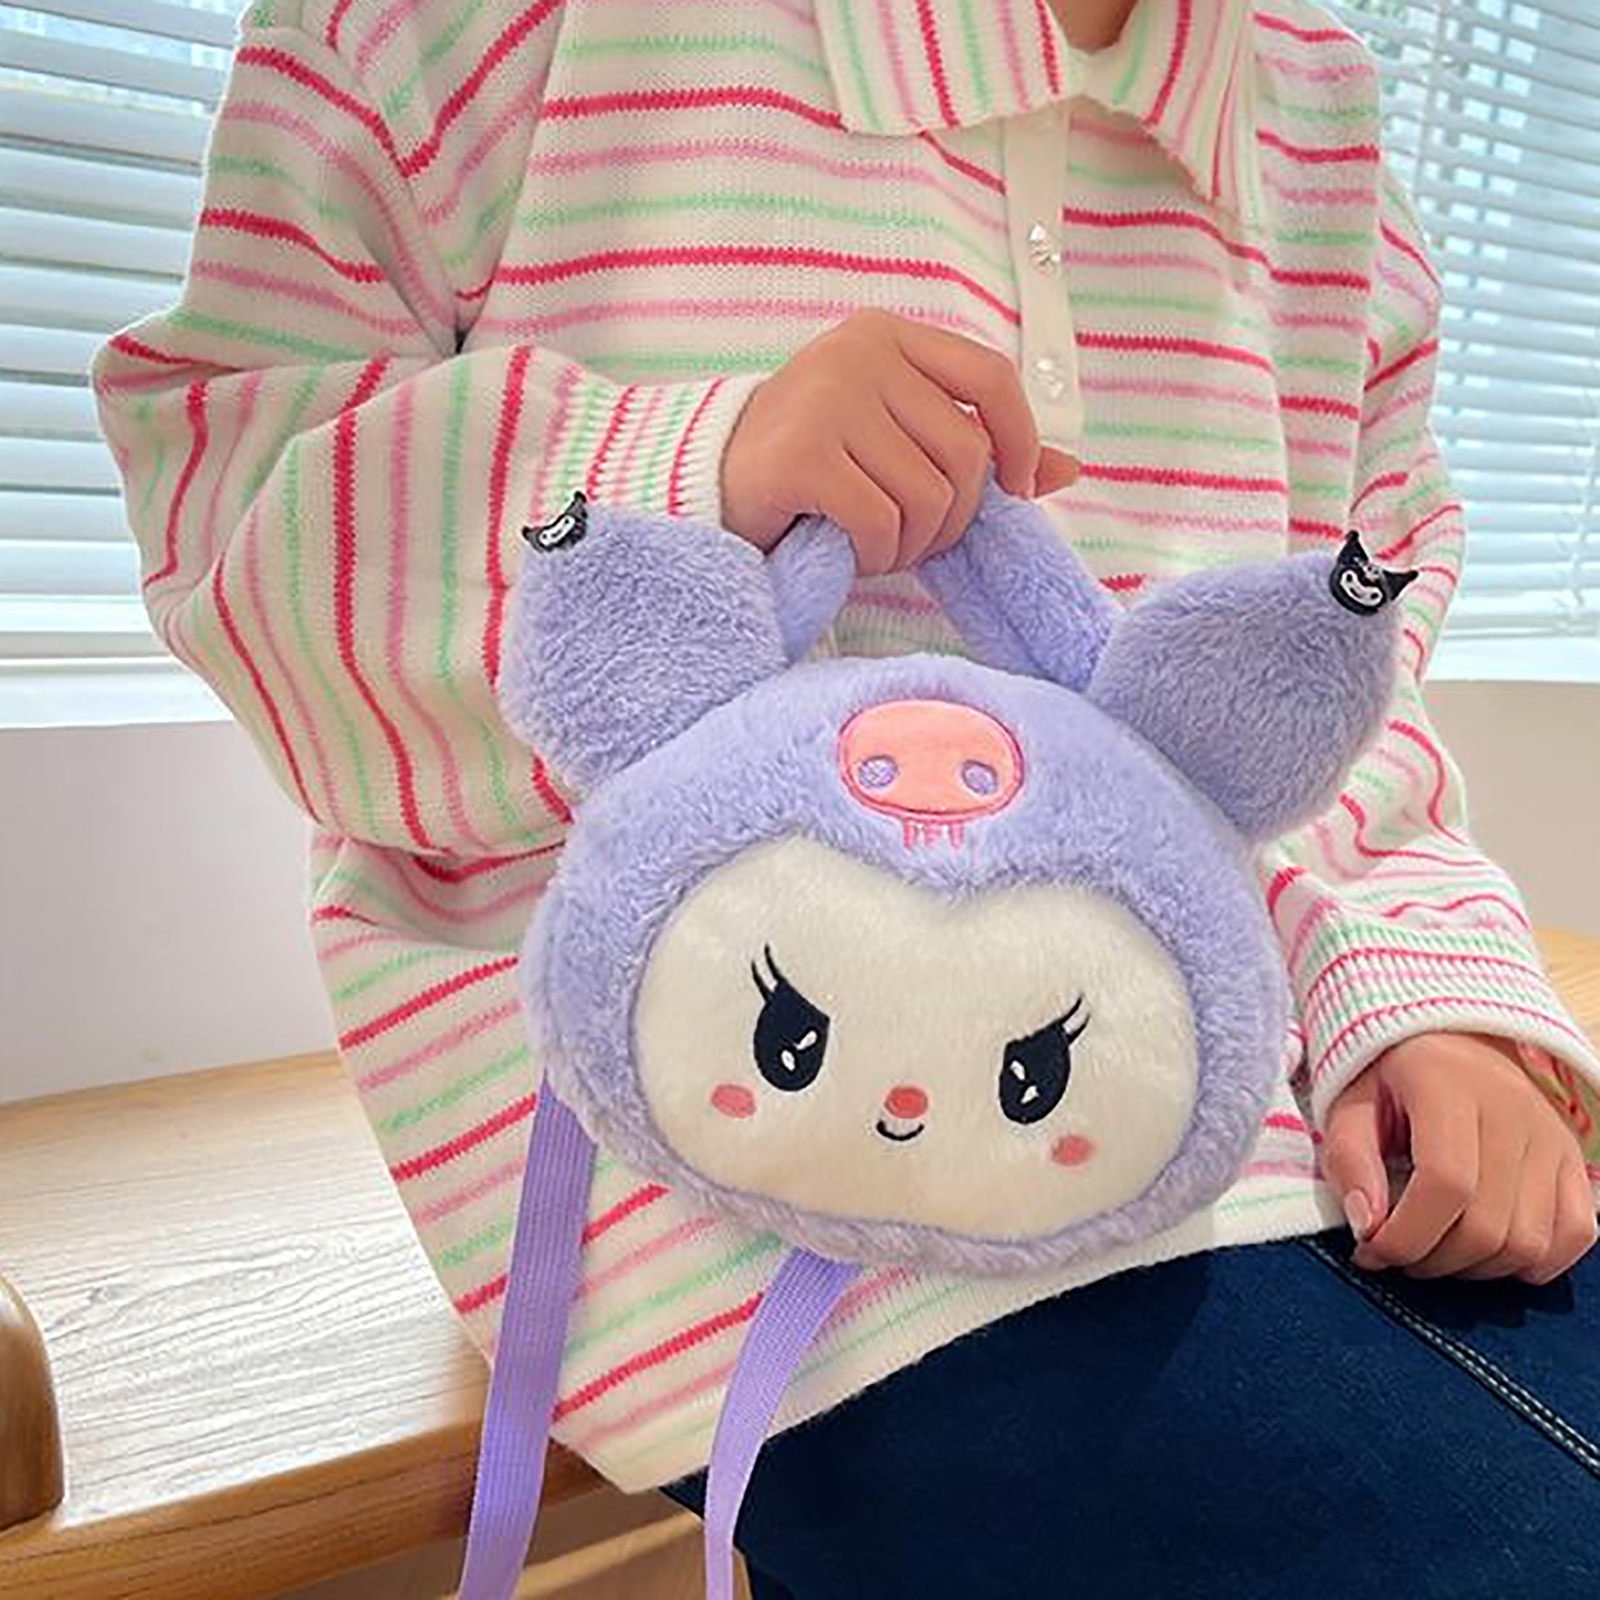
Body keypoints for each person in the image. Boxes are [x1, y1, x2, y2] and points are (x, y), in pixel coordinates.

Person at [91, 0, 1599, 1592]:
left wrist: (1420, 985)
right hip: (729, 1161)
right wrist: (702, 472)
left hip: (1250, 1087)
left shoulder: (1316, 112)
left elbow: (1337, 662)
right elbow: (228, 515)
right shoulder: (470, 33)